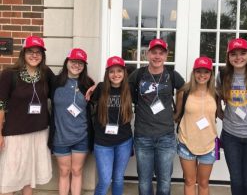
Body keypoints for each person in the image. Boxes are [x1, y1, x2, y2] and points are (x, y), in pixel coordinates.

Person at [129, 38, 185, 195]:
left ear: (166, 56)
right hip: (143, 136)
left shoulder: (171, 75)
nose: (157, 56)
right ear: (148, 54)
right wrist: (96, 87)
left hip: (166, 137)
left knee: (165, 181)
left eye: (161, 53)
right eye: (154, 52)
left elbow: (183, 89)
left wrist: (178, 113)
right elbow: (121, 88)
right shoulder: (138, 74)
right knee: (144, 181)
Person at [0, 36, 54, 195]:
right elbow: (1, 104)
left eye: (38, 52)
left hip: (38, 132)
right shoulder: (9, 74)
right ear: (23, 53)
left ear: (43, 56)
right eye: (30, 51)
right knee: (9, 180)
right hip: (15, 134)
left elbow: (62, 85)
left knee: (29, 178)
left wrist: (89, 85)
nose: (34, 55)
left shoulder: (46, 73)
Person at [216, 38, 247, 195]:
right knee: (236, 182)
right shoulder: (223, 74)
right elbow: (216, 95)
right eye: (234, 54)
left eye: (242, 53)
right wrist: (219, 112)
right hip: (231, 136)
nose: (238, 58)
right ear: (228, 56)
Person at [48, 48, 94, 195]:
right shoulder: (55, 82)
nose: (77, 65)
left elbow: (106, 91)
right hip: (60, 136)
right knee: (64, 171)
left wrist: (97, 86)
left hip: (81, 135)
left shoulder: (88, 83)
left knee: (76, 170)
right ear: (67, 62)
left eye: (80, 63)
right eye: (73, 61)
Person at [91, 56, 133, 195]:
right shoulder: (101, 88)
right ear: (107, 73)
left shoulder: (130, 89)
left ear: (124, 73)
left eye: (119, 71)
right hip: (103, 143)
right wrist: (91, 87)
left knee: (118, 178)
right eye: (112, 71)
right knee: (104, 180)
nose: (116, 75)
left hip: (124, 141)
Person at [175, 56, 217, 195]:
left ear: (211, 74)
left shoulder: (216, 93)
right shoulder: (184, 92)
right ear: (193, 73)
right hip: (186, 142)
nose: (202, 75)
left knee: (204, 183)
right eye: (199, 71)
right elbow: (177, 115)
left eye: (206, 72)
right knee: (189, 181)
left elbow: (223, 114)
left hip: (208, 144)